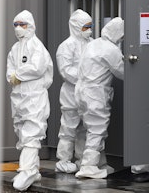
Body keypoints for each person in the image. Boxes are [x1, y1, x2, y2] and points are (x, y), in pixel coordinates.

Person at [6, 10, 53, 191]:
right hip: (18, 97)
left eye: (22, 24)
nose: (18, 28)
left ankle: (26, 170)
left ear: (31, 25)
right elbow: (9, 71)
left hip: (34, 97)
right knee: (21, 131)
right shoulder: (15, 48)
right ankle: (34, 170)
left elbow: (38, 68)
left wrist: (19, 74)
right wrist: (13, 76)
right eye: (16, 25)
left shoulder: (36, 46)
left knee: (32, 134)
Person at [74, 17, 125, 179]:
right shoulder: (111, 49)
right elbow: (122, 71)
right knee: (97, 129)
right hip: (95, 93)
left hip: (81, 91)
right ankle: (89, 166)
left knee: (87, 128)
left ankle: (99, 163)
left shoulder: (93, 43)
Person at [55, 9, 93, 173]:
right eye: (85, 27)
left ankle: (82, 160)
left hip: (87, 94)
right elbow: (65, 70)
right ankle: (63, 160)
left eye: (90, 26)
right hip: (71, 94)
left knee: (84, 129)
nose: (89, 30)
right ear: (76, 27)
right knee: (68, 128)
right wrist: (85, 78)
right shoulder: (66, 46)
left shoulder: (91, 43)